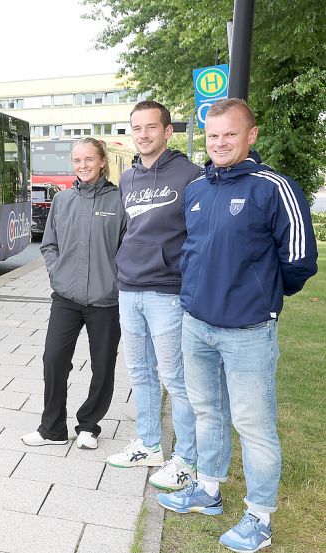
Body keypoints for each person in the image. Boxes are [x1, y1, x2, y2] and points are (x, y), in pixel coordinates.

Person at [157, 98, 317, 553]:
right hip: (197, 324)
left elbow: (300, 261)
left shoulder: (274, 187)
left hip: (248, 330)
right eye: (213, 135)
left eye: (230, 134)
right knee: (208, 413)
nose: (220, 143)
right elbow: (192, 251)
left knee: (254, 426)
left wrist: (260, 296)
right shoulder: (197, 189)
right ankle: (207, 491)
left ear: (251, 135)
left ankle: (259, 518)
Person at [106, 101, 202, 492]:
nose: (143, 134)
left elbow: (199, 237)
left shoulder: (191, 175)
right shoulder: (128, 179)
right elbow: (130, 230)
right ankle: (149, 445)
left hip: (167, 292)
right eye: (136, 128)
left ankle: (188, 459)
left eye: (150, 127)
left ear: (167, 131)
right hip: (129, 289)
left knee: (176, 379)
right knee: (140, 375)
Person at [21, 138, 126, 450]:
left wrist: (116, 283)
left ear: (102, 162)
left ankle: (89, 426)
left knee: (103, 365)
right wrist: (57, 273)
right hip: (66, 297)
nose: (83, 165)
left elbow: (127, 249)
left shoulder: (118, 202)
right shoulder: (63, 200)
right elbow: (49, 245)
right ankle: (51, 428)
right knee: (53, 359)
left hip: (106, 300)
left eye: (89, 159)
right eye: (77, 160)